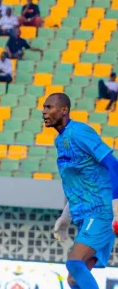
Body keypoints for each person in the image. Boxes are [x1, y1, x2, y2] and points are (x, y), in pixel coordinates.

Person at [45, 92, 118, 289]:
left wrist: (116, 208)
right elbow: (80, 184)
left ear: (64, 110)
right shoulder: (60, 141)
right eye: (44, 107)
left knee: (74, 263)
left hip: (101, 211)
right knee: (73, 280)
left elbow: (113, 165)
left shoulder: (79, 132)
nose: (44, 112)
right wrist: (65, 216)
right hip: (85, 214)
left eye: (49, 107)